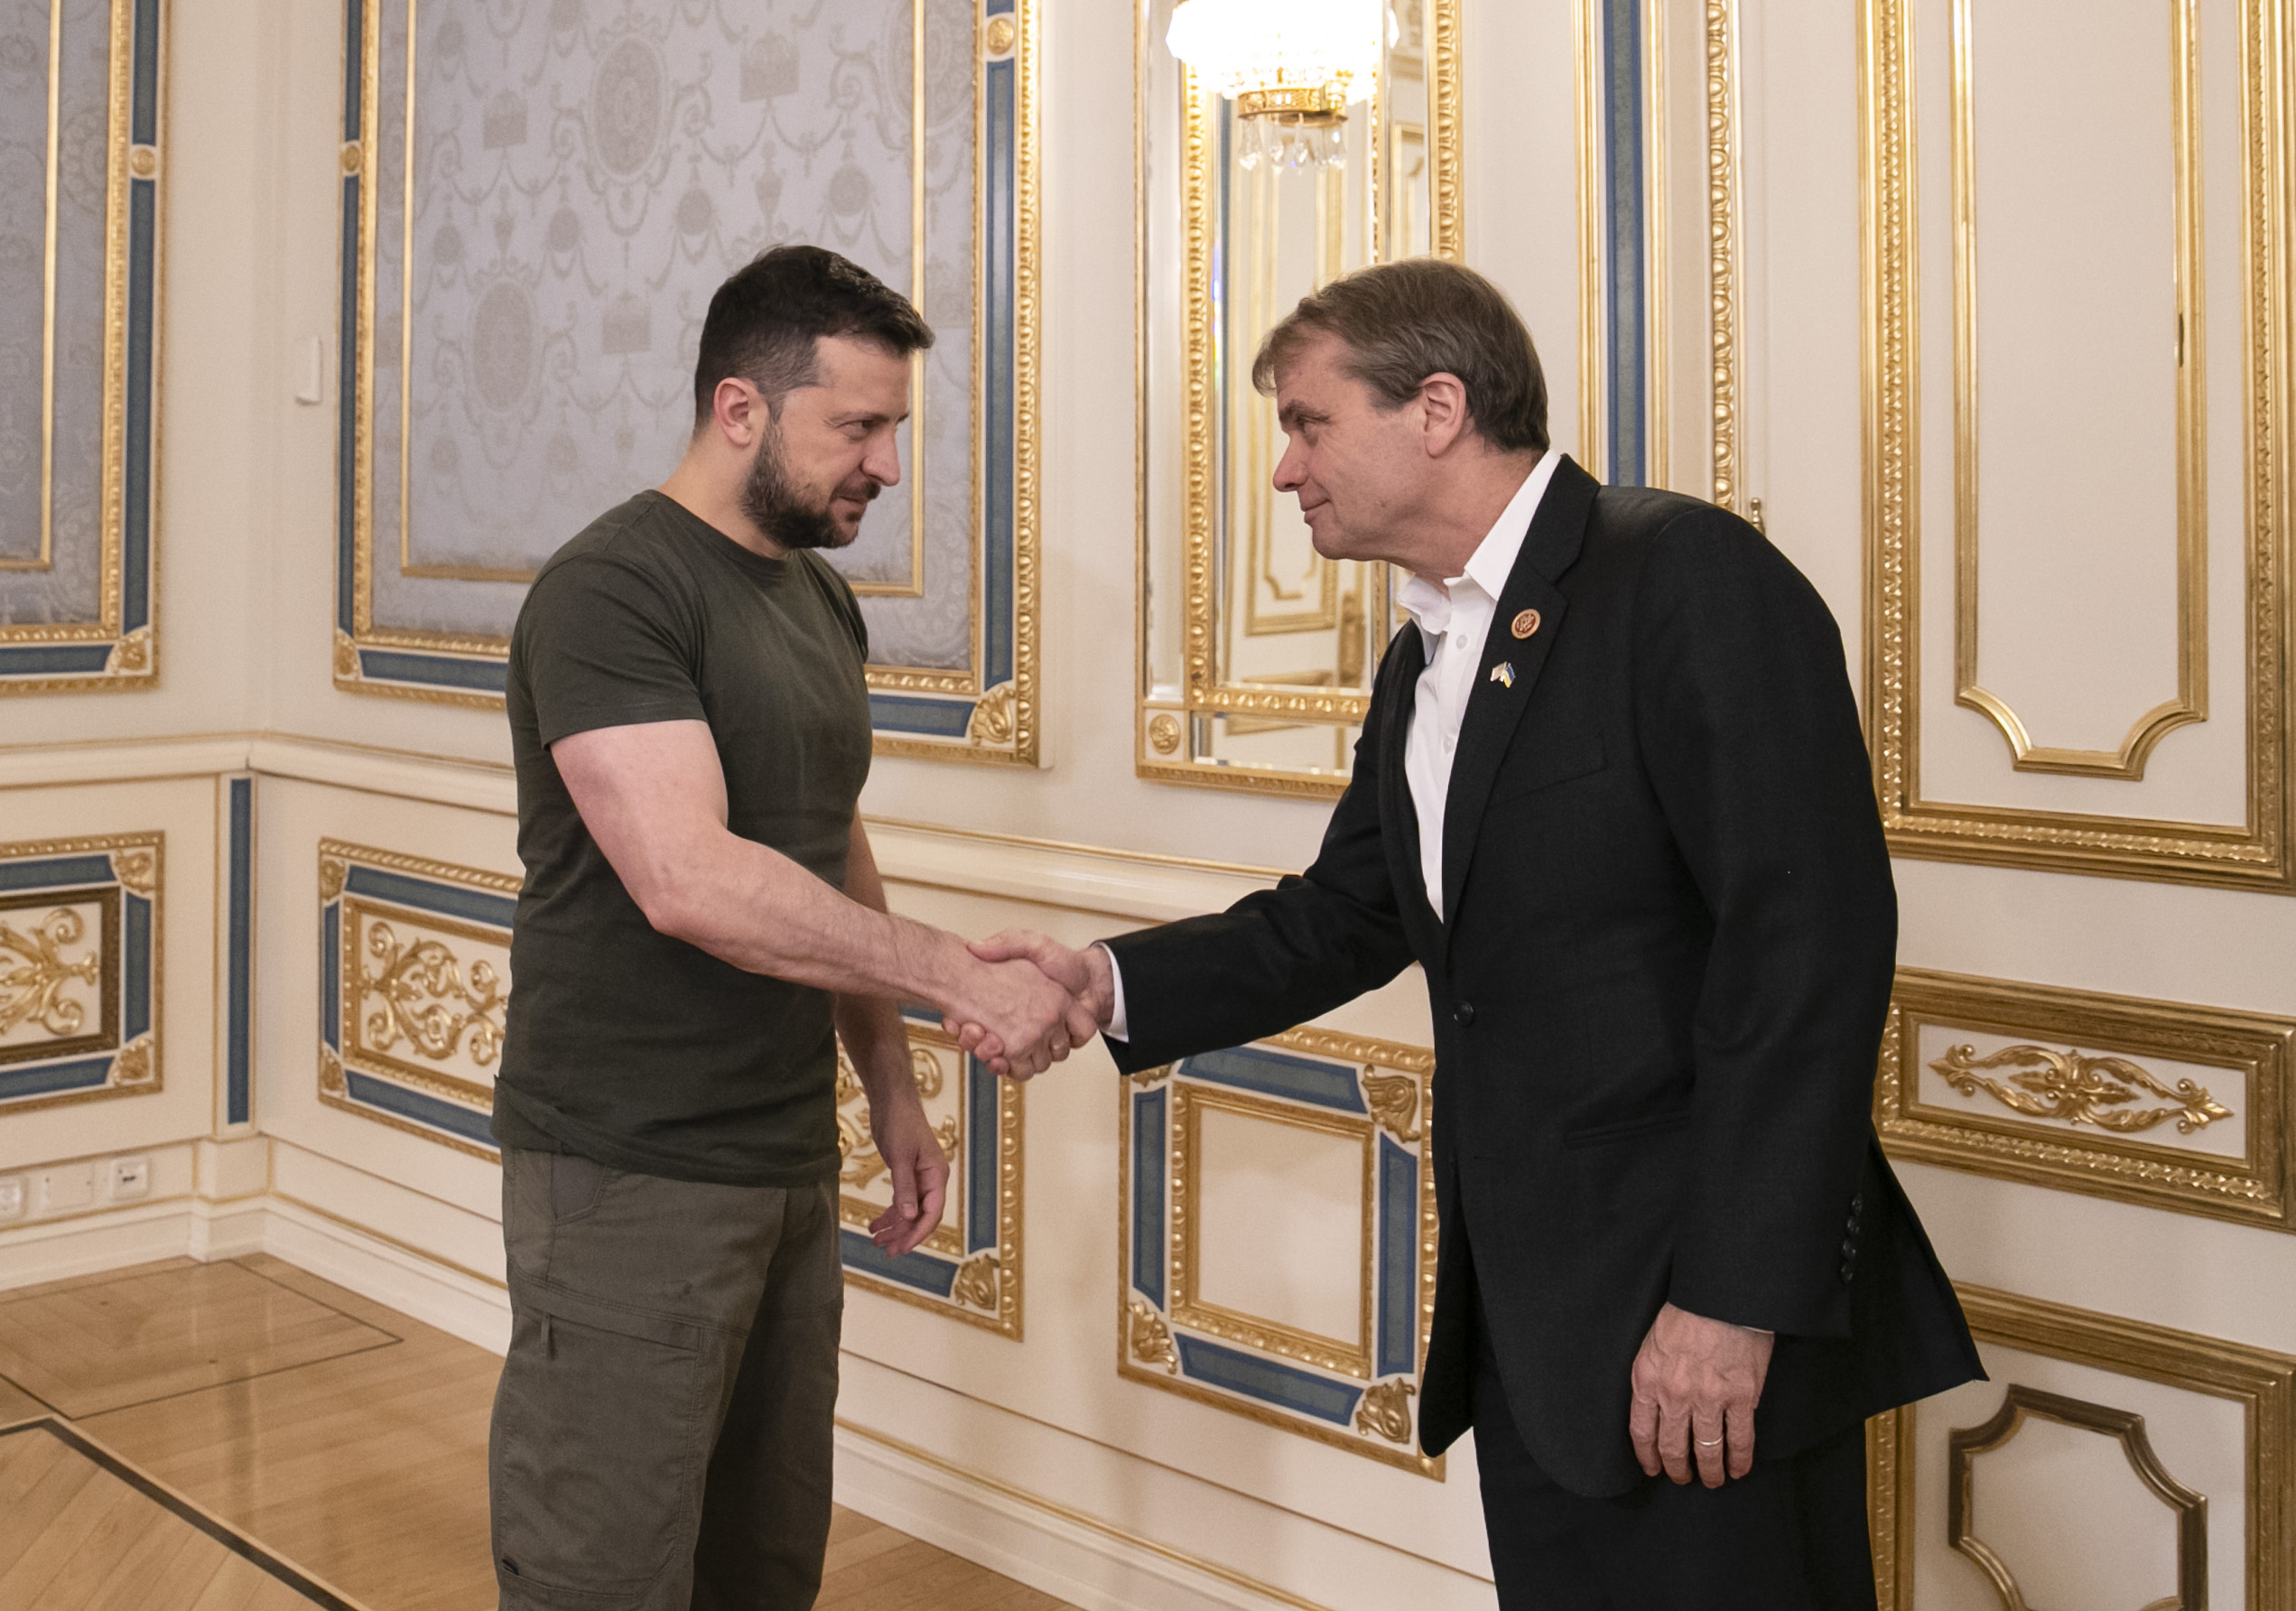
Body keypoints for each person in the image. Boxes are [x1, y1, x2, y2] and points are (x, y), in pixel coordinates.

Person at [967, 258, 1983, 1610]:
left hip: (1693, 1310)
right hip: (1539, 1320)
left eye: (1307, 423)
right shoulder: (1430, 649)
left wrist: (1733, 1302)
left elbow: (1804, 952)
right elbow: (1346, 914)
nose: (1284, 471)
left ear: (1437, 406)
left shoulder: (1684, 578)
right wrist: (1102, 980)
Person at [487, 244, 1093, 1611]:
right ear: (740, 409)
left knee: (761, 1562)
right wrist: (955, 977)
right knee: (604, 1569)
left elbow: (828, 839)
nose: (885, 463)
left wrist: (890, 1083)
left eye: (894, 427)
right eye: (859, 427)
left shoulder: (816, 595)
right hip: (626, 1161)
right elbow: (689, 879)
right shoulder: (613, 590)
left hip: (781, 1151)